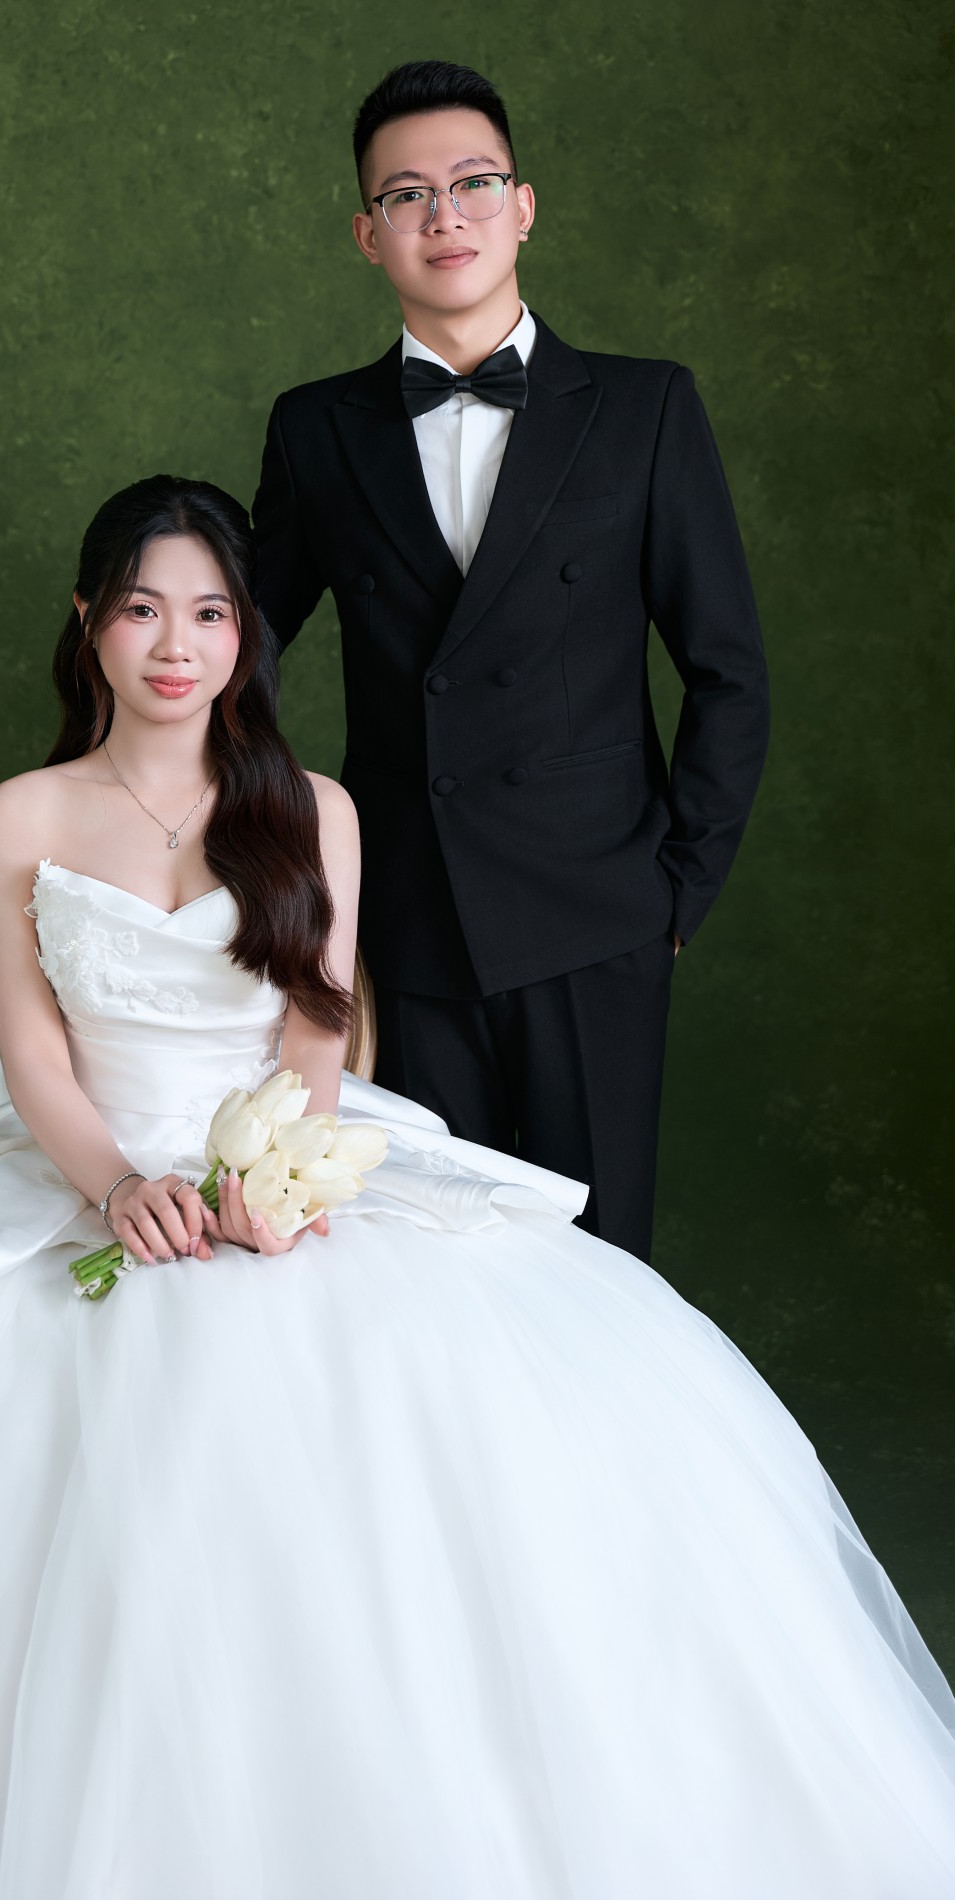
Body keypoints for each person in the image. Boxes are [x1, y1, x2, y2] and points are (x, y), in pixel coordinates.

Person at [0, 476, 951, 1900]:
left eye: (211, 613)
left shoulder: (313, 809)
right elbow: (33, 1056)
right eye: (143, 610)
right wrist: (117, 1186)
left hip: (277, 1144)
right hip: (87, 1150)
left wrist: (267, 1174)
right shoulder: (19, 815)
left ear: (247, 634)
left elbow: (313, 1033)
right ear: (89, 623)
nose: (177, 645)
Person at [253, 60, 770, 1263]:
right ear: (367, 233)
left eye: (473, 183)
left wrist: (674, 897)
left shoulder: (643, 409)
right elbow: (244, 655)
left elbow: (728, 669)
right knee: (423, 1271)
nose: (444, 215)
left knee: (602, 1263)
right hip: (404, 928)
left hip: (599, 916)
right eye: (406, 195)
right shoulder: (316, 427)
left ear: (522, 206)